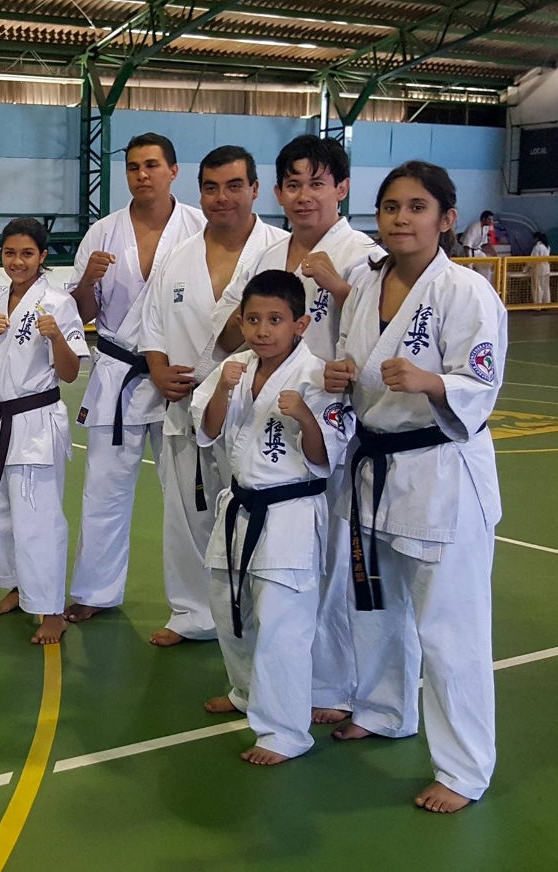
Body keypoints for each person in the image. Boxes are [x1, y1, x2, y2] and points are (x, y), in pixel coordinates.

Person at [326, 161, 506, 814]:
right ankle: (383, 709)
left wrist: (433, 382)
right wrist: (342, 376)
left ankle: (465, 767)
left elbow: (481, 384)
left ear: (446, 219)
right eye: (391, 207)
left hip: (440, 472)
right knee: (375, 605)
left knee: (450, 630)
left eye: (417, 207)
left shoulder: (465, 291)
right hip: (374, 466)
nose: (401, 218)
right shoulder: (364, 284)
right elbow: (353, 365)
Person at [212, 135, 383, 722]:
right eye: (292, 184)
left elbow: (379, 336)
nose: (304, 195)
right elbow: (229, 327)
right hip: (270, 419)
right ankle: (262, 686)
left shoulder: (362, 255)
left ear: (342, 188)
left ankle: (329, 688)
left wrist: (340, 288)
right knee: (268, 569)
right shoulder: (267, 253)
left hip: (335, 423)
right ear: (279, 193)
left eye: (317, 183)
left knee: (331, 562)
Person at [192, 270, 351, 764]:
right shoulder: (234, 367)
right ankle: (245, 692)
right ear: (241, 322)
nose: (263, 330)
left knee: (282, 624)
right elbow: (207, 432)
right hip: (239, 506)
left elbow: (326, 459)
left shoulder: (318, 377)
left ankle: (285, 732)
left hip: (289, 513)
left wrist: (303, 415)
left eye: (276, 320)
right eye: (254, 319)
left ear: (300, 324)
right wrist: (222, 390)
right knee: (228, 609)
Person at [137, 146, 287, 647]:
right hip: (186, 407)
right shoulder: (177, 256)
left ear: (255, 189)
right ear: (198, 192)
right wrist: (158, 370)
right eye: (211, 188)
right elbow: (152, 325)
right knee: (186, 517)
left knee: (259, 514)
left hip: (259, 412)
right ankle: (192, 612)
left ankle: (263, 615)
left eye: (234, 186)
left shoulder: (279, 251)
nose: (222, 197)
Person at [64, 133, 205, 624]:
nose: (142, 174)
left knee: (185, 499)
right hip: (118, 372)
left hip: (179, 379)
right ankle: (95, 591)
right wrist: (88, 280)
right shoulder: (102, 232)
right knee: (103, 489)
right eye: (132, 167)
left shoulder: (199, 228)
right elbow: (81, 313)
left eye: (151, 165)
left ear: (173, 171)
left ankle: (197, 606)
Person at [0, 218, 88, 645]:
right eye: (10, 253)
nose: (17, 261)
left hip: (33, 425)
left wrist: (57, 338)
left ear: (43, 256)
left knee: (38, 523)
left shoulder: (58, 303)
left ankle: (51, 609)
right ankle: (18, 588)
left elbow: (70, 373)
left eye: (27, 253)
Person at [531, 231, 551, 304]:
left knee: (538, 287)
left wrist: (526, 268)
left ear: (536, 238)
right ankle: (546, 303)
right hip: (547, 268)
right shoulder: (547, 247)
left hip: (538, 269)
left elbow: (532, 260)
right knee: (546, 287)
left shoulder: (537, 247)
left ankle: (538, 305)